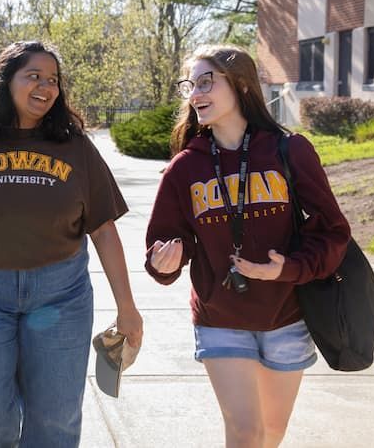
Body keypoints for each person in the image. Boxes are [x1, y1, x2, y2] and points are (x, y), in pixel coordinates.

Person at [0, 41, 143, 448]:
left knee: (55, 419)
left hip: (62, 297)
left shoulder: (76, 148)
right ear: (7, 82)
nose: (46, 87)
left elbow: (105, 231)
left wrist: (127, 307)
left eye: (53, 79)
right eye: (34, 76)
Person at [145, 45, 350, 448]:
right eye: (191, 85)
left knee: (270, 434)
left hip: (286, 316)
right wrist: (164, 261)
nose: (195, 94)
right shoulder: (185, 168)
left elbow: (333, 232)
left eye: (206, 82)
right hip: (219, 317)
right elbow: (165, 246)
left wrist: (287, 268)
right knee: (244, 432)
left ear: (240, 85)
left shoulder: (289, 151)